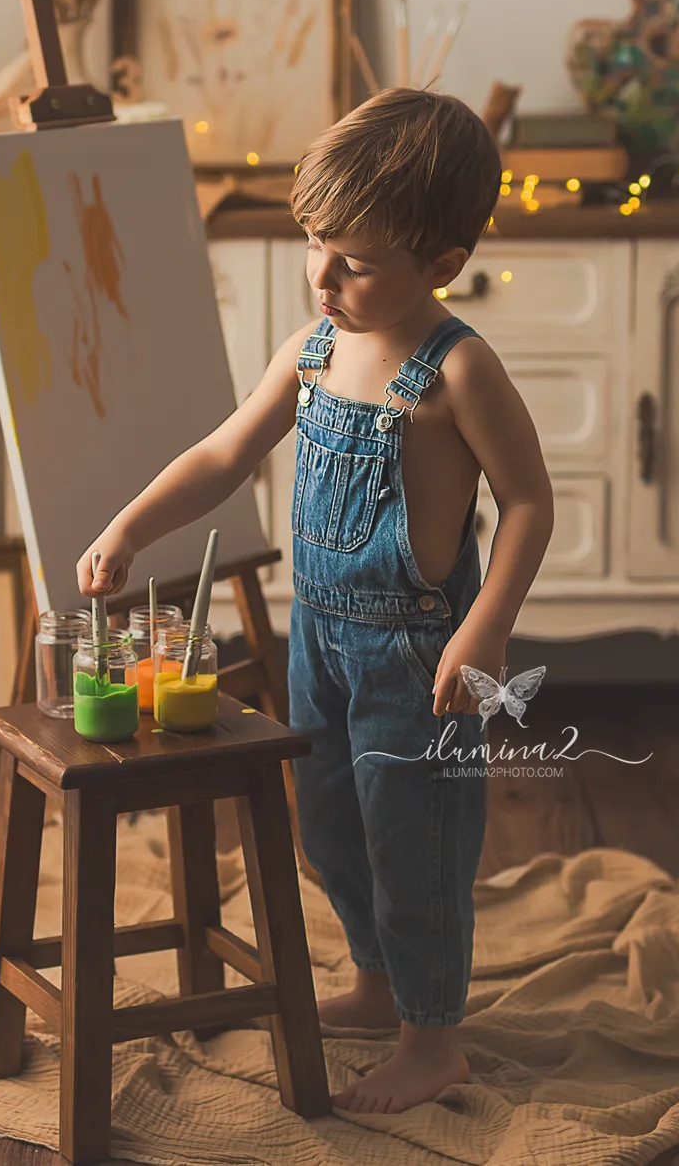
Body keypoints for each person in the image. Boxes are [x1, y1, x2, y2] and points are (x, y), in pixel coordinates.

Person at [77, 87, 553, 1114]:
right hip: (318, 639)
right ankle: (376, 984)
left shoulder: (457, 370)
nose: (324, 278)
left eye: (356, 262)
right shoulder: (313, 352)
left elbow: (527, 501)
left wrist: (485, 627)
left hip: (418, 657)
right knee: (331, 827)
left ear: (441, 263)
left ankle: (434, 1038)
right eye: (314, 247)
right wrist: (130, 527)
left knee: (414, 838)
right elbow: (222, 454)